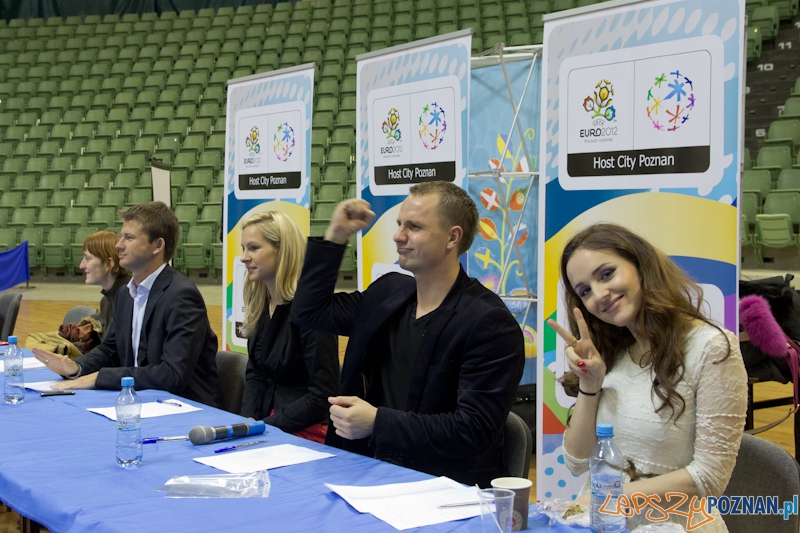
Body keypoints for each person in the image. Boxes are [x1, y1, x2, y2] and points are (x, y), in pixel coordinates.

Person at [292, 181, 525, 487]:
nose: (398, 236)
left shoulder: (488, 323)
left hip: (437, 489)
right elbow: (309, 312)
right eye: (400, 223)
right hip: (359, 471)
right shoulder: (387, 294)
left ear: (452, 237)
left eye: (413, 226)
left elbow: (473, 430)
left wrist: (378, 422)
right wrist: (335, 237)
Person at [546, 223, 747, 532]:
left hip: (672, 523)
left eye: (606, 274)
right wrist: (590, 384)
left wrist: (614, 497)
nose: (599, 295)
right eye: (585, 291)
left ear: (641, 266)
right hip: (602, 521)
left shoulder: (711, 348)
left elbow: (709, 477)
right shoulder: (610, 353)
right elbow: (576, 461)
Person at [32, 202, 219, 407]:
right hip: (141, 402)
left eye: (128, 238)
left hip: (185, 408)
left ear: (158, 245)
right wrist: (75, 367)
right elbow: (110, 350)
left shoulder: (181, 296)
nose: (119, 245)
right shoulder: (125, 294)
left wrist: (99, 377)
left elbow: (172, 375)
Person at [238, 211, 339, 443]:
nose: (244, 257)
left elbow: (322, 396)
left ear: (282, 251)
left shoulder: (313, 310)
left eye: (253, 248)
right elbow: (256, 375)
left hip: (307, 429)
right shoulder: (261, 304)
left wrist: (263, 427)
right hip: (270, 425)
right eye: (243, 248)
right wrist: (246, 423)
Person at [79, 230, 132, 341]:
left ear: (108, 264)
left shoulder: (131, 300)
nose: (81, 265)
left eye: (87, 259)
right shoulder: (106, 301)